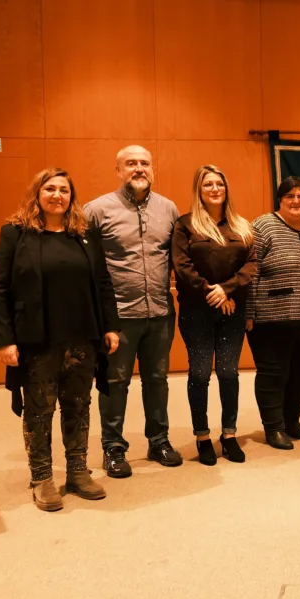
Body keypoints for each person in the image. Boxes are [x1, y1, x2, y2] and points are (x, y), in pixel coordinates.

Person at [0, 168, 120, 511]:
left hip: (82, 336)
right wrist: (4, 340)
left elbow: (103, 283)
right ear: (37, 193)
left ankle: (77, 471)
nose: (57, 195)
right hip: (37, 338)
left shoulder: (85, 234)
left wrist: (111, 326)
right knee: (39, 408)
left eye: (64, 189)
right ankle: (42, 477)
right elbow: (0, 288)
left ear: (71, 196)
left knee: (78, 404)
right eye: (49, 188)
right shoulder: (15, 233)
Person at [86, 145, 183, 478]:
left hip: (160, 312)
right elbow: (86, 266)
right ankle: (113, 447)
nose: (139, 168)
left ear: (152, 169)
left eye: (145, 163)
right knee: (115, 382)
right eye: (131, 163)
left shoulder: (169, 209)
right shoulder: (96, 210)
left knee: (157, 380)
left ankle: (159, 441)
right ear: (118, 170)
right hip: (118, 317)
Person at [173, 165, 257, 465]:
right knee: (199, 373)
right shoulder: (185, 225)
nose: (214, 189)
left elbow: (251, 265)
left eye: (219, 184)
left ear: (226, 188)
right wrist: (214, 293)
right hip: (196, 310)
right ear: (199, 190)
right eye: (208, 184)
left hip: (232, 309)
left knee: (228, 373)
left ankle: (229, 435)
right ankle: (202, 436)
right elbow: (182, 266)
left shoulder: (241, 226)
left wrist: (227, 290)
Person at [246, 177, 300, 450]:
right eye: (289, 196)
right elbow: (250, 270)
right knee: (274, 373)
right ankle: (274, 427)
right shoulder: (263, 226)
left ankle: (291, 420)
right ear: (280, 200)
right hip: (271, 319)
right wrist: (248, 312)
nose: (296, 201)